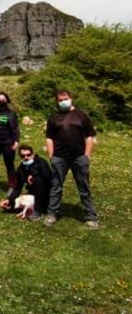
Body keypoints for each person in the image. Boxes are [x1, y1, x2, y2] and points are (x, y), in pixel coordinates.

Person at [44, 90, 99, 229]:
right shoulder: (54, 117)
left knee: (84, 187)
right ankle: (52, 214)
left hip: (79, 157)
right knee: (56, 187)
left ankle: (91, 216)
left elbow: (90, 136)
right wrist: (51, 155)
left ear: (71, 98)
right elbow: (49, 137)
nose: (63, 101)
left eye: (65, 98)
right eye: (60, 100)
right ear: (57, 102)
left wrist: (87, 155)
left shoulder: (81, 115)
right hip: (59, 158)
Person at [0, 144, 52, 221]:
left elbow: (48, 175)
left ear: (32, 154)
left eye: (28, 155)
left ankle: (37, 211)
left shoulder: (41, 162)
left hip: (46, 194)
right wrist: (9, 200)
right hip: (32, 193)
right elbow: (17, 188)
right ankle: (15, 206)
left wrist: (34, 175)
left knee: (37, 180)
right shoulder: (21, 169)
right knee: (14, 202)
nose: (26, 157)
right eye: (23, 156)